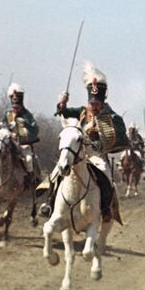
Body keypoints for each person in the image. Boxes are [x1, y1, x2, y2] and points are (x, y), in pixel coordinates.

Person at [52, 61, 122, 220]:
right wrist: (62, 103)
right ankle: (50, 203)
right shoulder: (82, 112)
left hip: (97, 155)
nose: (94, 107)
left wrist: (100, 143)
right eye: (92, 103)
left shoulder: (112, 117)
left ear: (102, 102)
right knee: (57, 172)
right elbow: (63, 112)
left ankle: (105, 209)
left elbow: (117, 137)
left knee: (106, 178)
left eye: (97, 104)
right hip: (77, 152)